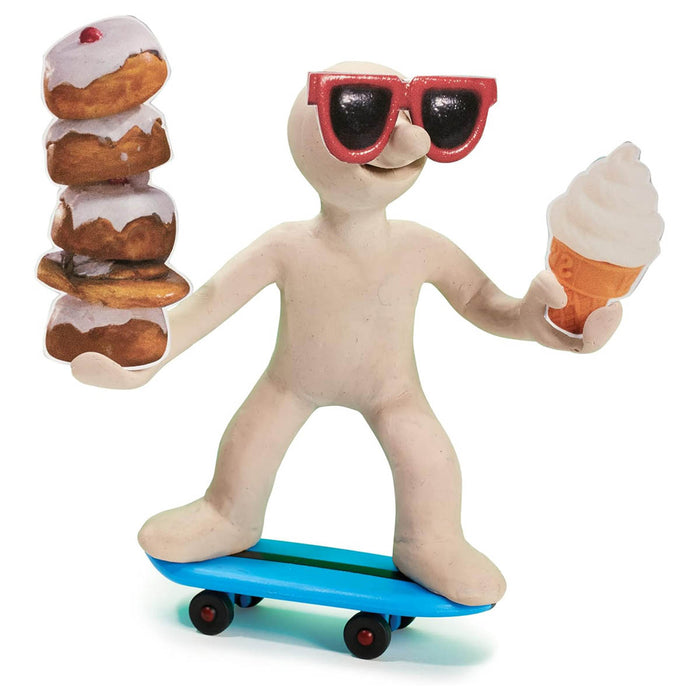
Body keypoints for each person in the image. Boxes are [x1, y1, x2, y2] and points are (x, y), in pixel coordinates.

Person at [72, 63, 622, 605]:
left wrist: (535, 321)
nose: (413, 141)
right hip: (290, 383)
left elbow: (482, 302)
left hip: (393, 392)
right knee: (250, 442)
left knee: (429, 459)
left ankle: (430, 541)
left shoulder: (418, 245)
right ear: (307, 141)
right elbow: (211, 303)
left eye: (421, 119)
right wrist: (146, 358)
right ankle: (228, 515)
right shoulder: (288, 245)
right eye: (364, 122)